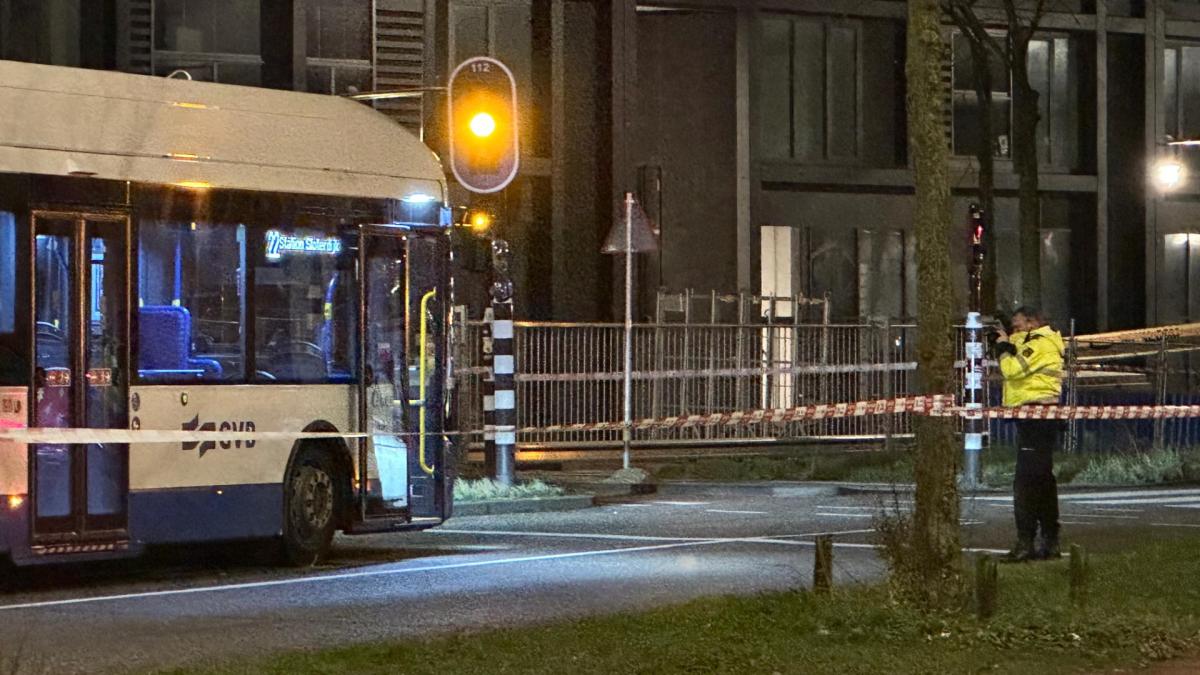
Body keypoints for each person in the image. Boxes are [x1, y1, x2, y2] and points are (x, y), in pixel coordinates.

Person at [992, 306, 1065, 562]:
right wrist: (1007, 337)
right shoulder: (1039, 341)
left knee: (1026, 482)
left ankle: (1026, 543)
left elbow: (1013, 369)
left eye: (1019, 325)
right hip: (1037, 415)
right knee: (1043, 481)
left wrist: (1002, 348)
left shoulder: (1042, 344)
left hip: (1037, 415)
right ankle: (1050, 541)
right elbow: (1020, 349)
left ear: (1033, 322)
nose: (1017, 330)